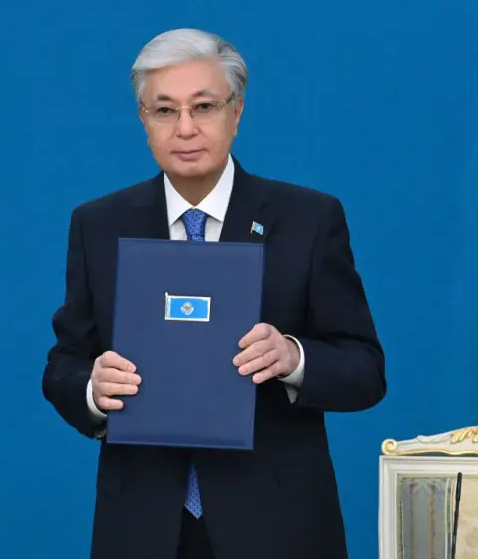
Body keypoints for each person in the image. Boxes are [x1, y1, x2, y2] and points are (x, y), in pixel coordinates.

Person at [41, 28, 385, 559]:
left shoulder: (309, 220)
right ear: (143, 119)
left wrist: (293, 357)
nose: (185, 128)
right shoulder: (99, 225)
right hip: (142, 527)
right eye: (164, 110)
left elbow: (365, 371)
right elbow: (64, 364)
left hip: (278, 525)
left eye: (204, 106)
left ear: (236, 111)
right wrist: (92, 388)